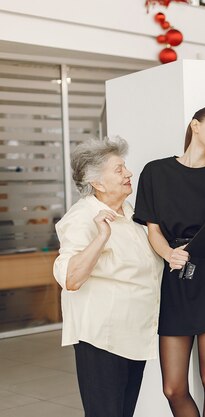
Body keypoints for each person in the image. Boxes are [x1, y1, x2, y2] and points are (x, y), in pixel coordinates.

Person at [133, 106, 205, 417]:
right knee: (173, 387)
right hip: (175, 283)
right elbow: (153, 229)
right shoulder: (155, 172)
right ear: (195, 126)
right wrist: (168, 253)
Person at [53, 137, 162, 417]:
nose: (129, 174)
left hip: (133, 334)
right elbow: (71, 278)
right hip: (102, 337)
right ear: (97, 183)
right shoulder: (81, 218)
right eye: (119, 169)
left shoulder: (131, 213)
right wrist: (101, 236)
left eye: (125, 167)